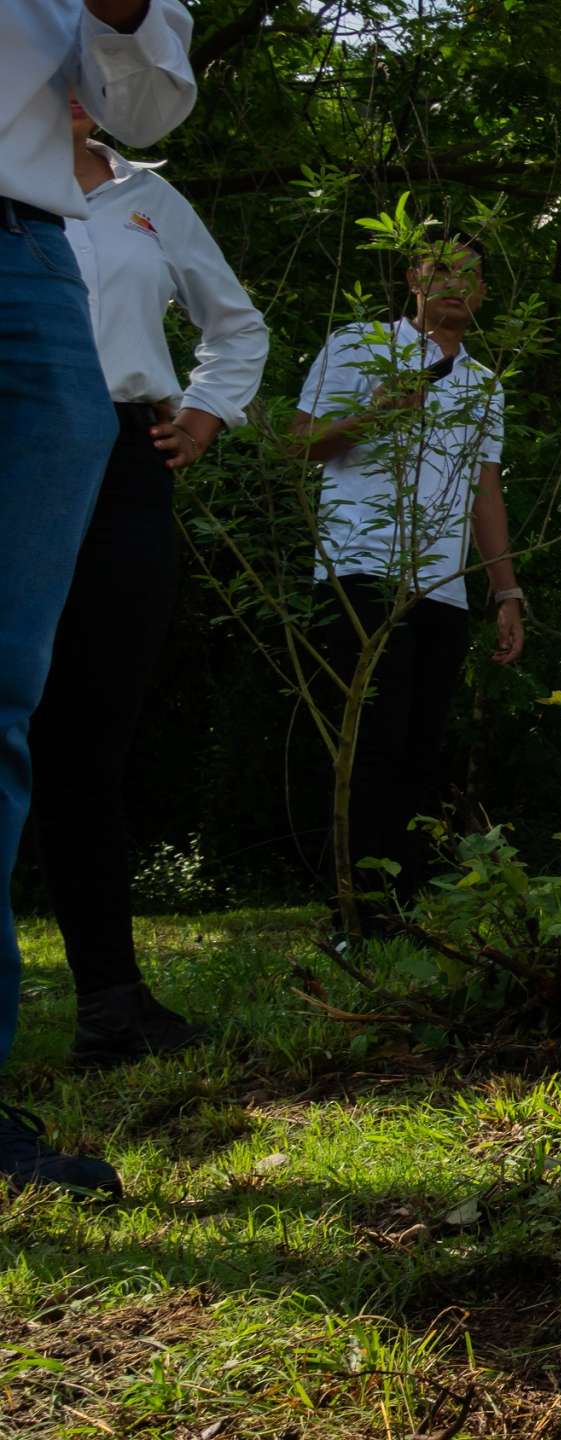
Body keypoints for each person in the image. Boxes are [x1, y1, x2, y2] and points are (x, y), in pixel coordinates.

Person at [23, 95, 266, 1071]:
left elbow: (235, 326)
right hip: (15, 451)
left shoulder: (149, 198)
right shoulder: (10, 193)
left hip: (127, 464)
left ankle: (110, 1009)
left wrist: (205, 412)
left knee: (92, 732)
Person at [1, 0, 196, 1196]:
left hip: (27, 269)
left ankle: (92, 1008)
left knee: (19, 708)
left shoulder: (137, 197)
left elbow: (142, 99)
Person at [290, 235, 523, 923]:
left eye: (470, 275)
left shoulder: (485, 383)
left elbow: (486, 492)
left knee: (421, 748)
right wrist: (379, 411)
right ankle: (351, 911)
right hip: (358, 572)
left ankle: (402, 907)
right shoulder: (357, 344)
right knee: (368, 743)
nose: (455, 283)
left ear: (482, 294)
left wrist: (505, 591)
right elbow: (299, 444)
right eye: (440, 269)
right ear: (412, 276)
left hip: (442, 588)